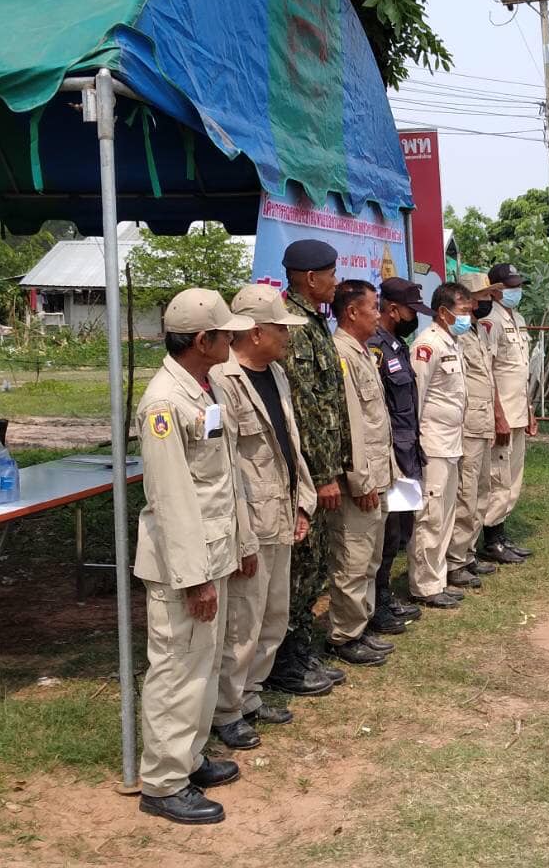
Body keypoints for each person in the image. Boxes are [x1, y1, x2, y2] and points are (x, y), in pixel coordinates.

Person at [134, 289, 258, 826]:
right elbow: (172, 498)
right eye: (226, 334)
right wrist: (194, 579)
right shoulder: (164, 403)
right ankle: (163, 782)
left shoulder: (206, 387)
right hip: (185, 565)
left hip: (214, 552)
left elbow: (223, 478)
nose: (233, 340)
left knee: (202, 664)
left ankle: (188, 756)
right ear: (203, 340)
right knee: (178, 667)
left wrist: (243, 543)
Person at [207, 284, 322, 753]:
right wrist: (240, 533)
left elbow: (289, 444)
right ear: (255, 333)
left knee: (273, 615)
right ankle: (226, 710)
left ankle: (250, 695)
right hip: (249, 522)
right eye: (280, 329)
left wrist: (303, 502)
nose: (287, 337)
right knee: (242, 621)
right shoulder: (221, 381)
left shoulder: (275, 374)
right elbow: (224, 467)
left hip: (281, 511)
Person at [268, 240, 350, 695]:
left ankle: (299, 649)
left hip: (322, 467)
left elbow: (330, 402)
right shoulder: (294, 327)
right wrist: (321, 476)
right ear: (311, 278)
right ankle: (285, 661)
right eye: (331, 274)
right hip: (306, 474)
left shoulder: (315, 322)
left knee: (313, 566)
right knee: (299, 572)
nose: (336, 282)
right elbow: (305, 409)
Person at [328, 280, 399, 666]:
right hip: (362, 479)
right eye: (373, 307)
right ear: (352, 312)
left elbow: (375, 420)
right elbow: (349, 424)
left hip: (378, 472)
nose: (378, 314)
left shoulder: (362, 352)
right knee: (353, 560)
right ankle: (345, 634)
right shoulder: (341, 354)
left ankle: (362, 623)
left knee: (370, 557)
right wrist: (360, 479)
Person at [370, 277, 431, 634]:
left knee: (398, 530)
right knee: (386, 532)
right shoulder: (376, 348)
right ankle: (376, 603)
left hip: (407, 451)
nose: (414, 317)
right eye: (411, 310)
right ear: (393, 310)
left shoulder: (398, 345)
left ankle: (384, 596)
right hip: (389, 455)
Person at [409, 282, 473, 608]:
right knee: (430, 517)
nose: (468, 317)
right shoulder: (428, 345)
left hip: (451, 442)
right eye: (463, 311)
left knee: (445, 514)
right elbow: (416, 398)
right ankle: (425, 586)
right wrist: (415, 444)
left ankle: (438, 578)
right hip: (431, 444)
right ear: (444, 312)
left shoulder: (453, 343)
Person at [448, 273, 510, 585]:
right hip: (467, 425)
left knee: (481, 492)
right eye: (483, 296)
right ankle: (455, 560)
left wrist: (497, 415)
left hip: (483, 422)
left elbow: (488, 377)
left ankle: (469, 553)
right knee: (466, 494)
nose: (487, 301)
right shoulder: (456, 335)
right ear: (469, 299)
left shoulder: (478, 331)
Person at [478, 263, 536, 563]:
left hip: (518, 410)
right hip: (501, 413)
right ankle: (491, 539)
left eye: (519, 285)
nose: (517, 290)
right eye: (512, 286)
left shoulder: (519, 319)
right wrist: (498, 415)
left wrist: (529, 411)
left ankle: (501, 534)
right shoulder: (490, 321)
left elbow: (520, 371)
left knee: (513, 477)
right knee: (498, 477)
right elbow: (488, 371)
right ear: (496, 290)